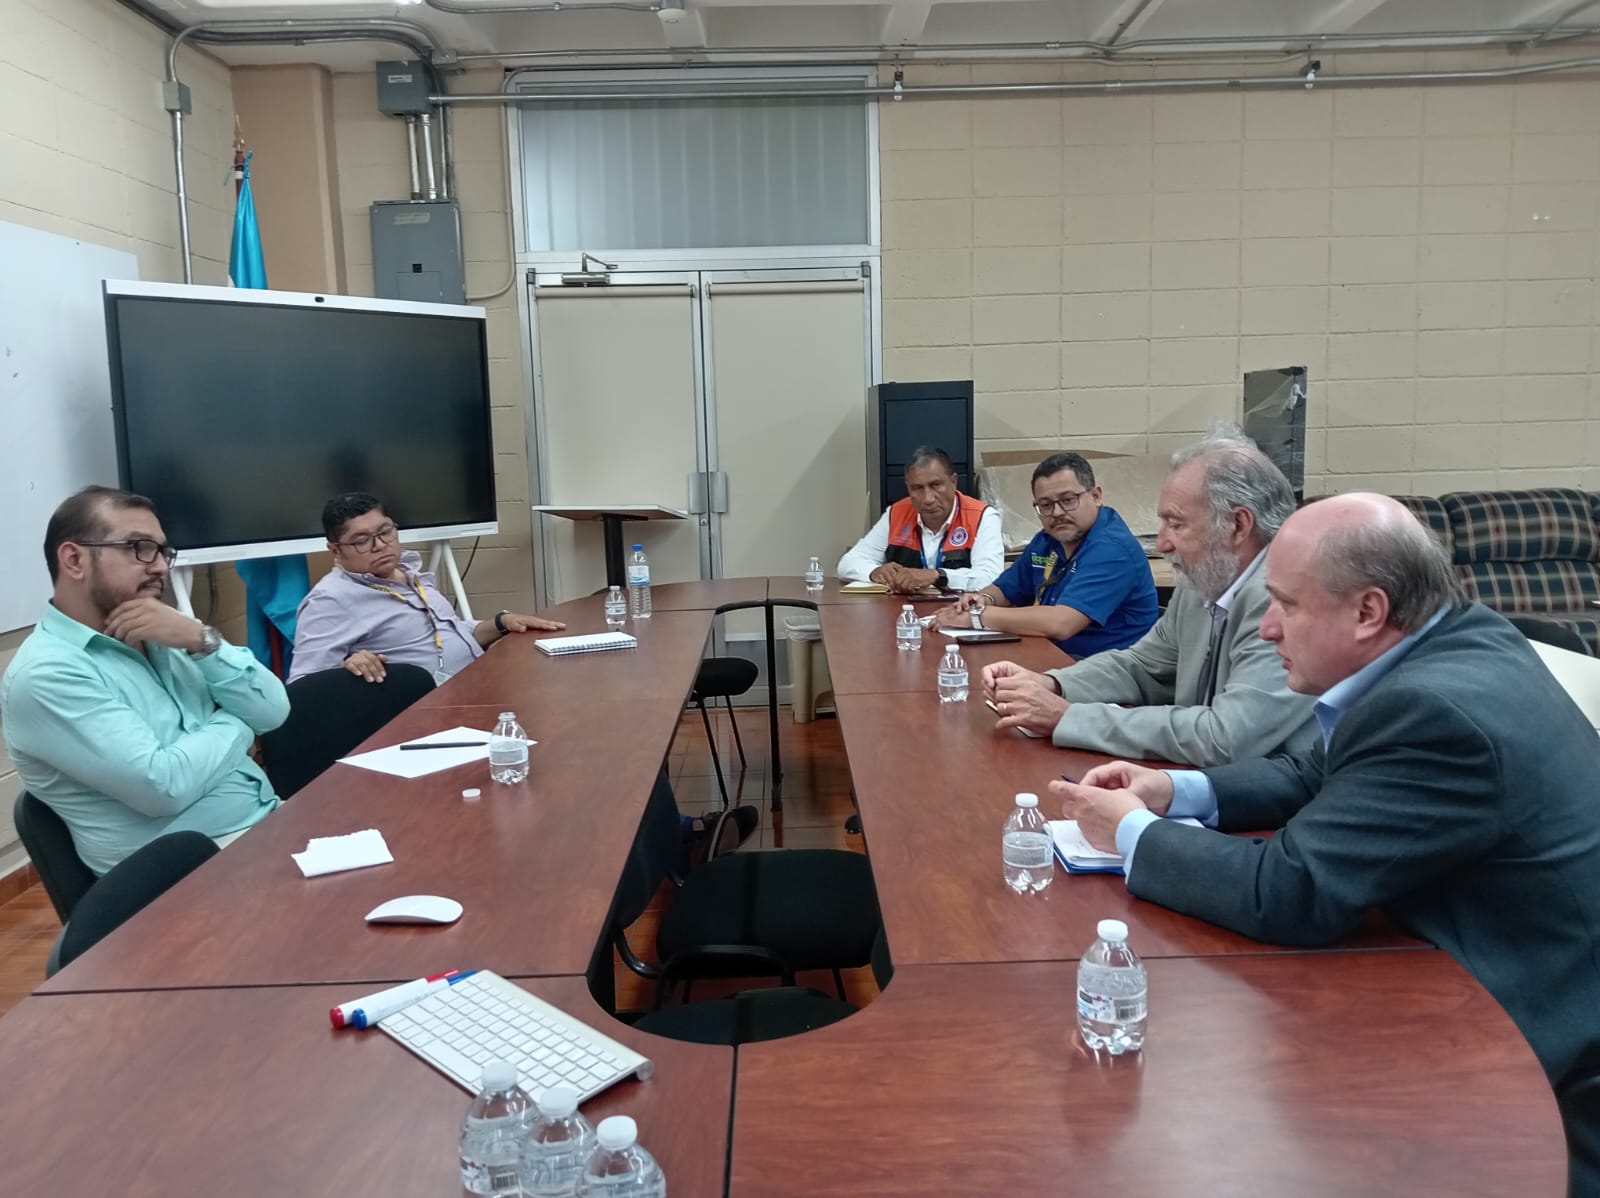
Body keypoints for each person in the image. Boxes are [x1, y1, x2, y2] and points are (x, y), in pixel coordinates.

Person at [1052, 493, 1600, 1192]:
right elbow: (1315, 771)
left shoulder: (1433, 709)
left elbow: (1292, 890)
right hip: (1459, 968)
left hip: (1538, 1070)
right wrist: (1174, 789)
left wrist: (1130, 831)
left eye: (1287, 605)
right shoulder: (1457, 639)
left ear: (1368, 611)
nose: (1268, 627)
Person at [1, 486, 290, 875]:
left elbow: (273, 711)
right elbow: (165, 786)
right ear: (74, 560)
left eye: (162, 552)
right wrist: (240, 722)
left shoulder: (167, 629)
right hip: (184, 878)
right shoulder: (47, 674)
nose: (160, 567)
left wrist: (201, 639)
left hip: (266, 824)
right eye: (139, 548)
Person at [981, 431, 1317, 764]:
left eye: (1177, 524)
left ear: (1238, 525)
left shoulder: (1282, 602)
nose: (1162, 544)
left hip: (1270, 791)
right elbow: (1140, 666)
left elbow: (1225, 738)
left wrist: (1066, 717)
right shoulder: (1202, 583)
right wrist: (1051, 683)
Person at [290, 493, 566, 684]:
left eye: (385, 531)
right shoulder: (330, 600)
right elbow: (303, 685)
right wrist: (347, 668)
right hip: (422, 714)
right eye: (362, 541)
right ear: (335, 550)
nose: (380, 545)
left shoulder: (408, 572)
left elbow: (448, 633)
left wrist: (501, 622)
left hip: (477, 687)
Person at [930, 452, 1158, 657]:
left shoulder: (1113, 549)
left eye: (1068, 500)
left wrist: (977, 617)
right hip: (1053, 654)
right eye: (1045, 505)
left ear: (1096, 496)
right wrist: (983, 599)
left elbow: (1062, 623)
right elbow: (1006, 589)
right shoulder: (1047, 540)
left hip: (1108, 671)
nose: (1057, 513)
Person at [836, 446, 1003, 594]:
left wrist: (938, 576)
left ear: (953, 482)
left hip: (959, 611)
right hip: (903, 612)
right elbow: (848, 563)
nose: (928, 498)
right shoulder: (896, 513)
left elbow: (990, 577)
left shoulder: (983, 516)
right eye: (917, 488)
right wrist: (874, 572)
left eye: (935, 485)